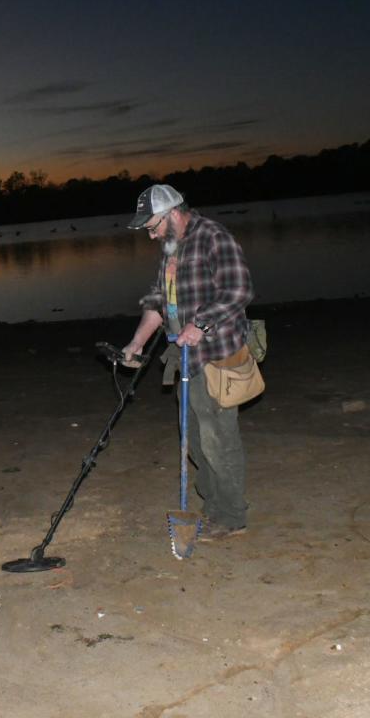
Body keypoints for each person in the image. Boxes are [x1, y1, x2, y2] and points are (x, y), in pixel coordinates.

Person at [122, 183, 255, 540]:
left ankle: (231, 516)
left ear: (172, 214)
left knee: (219, 440)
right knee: (195, 441)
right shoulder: (170, 247)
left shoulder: (213, 237)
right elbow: (157, 302)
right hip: (185, 360)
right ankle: (214, 506)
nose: (150, 235)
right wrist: (136, 342)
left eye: (152, 226)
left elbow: (240, 290)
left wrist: (200, 323)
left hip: (216, 356)